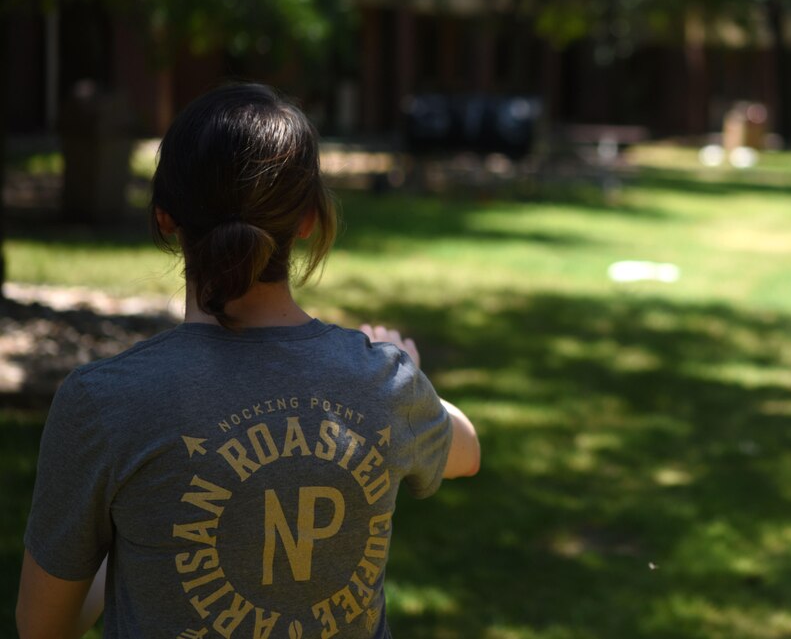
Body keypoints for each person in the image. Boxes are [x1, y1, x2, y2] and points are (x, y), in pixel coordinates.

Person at [16, 83, 480, 638]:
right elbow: (466, 451)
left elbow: (42, 626)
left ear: (165, 218)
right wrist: (407, 372)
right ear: (308, 219)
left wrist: (121, 540)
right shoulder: (383, 382)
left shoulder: (102, 402)